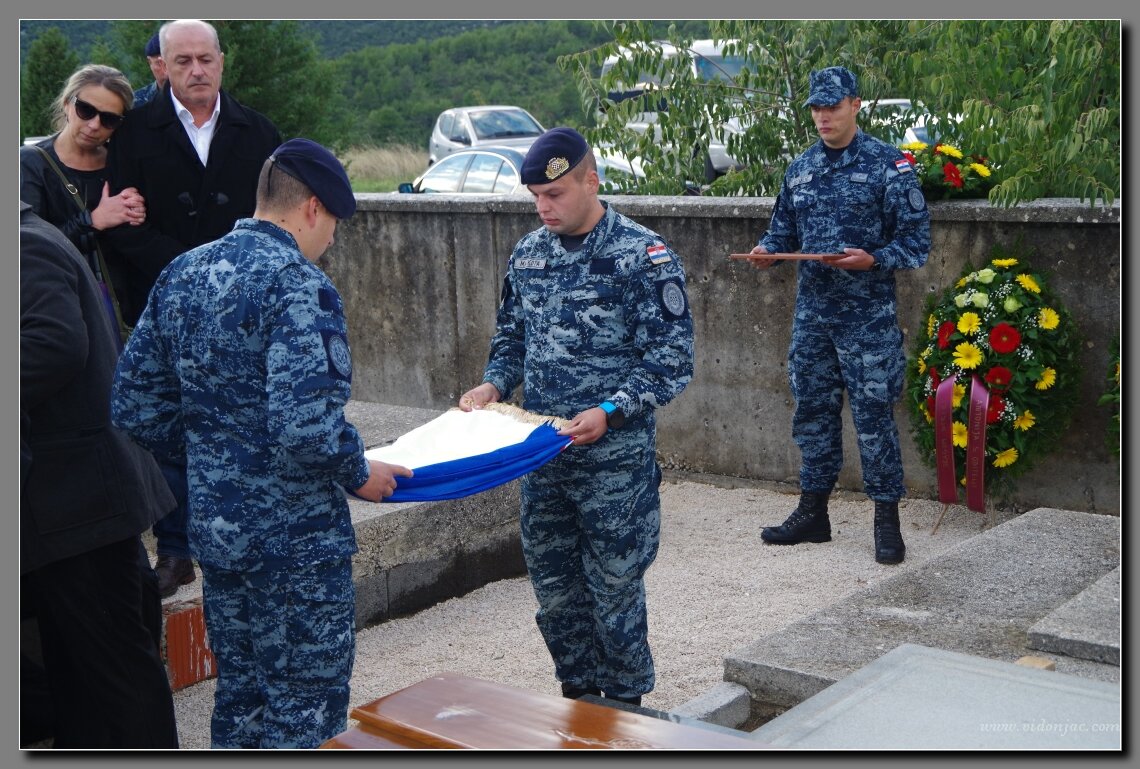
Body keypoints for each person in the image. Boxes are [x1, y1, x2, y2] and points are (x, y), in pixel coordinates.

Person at [110, 139, 412, 748]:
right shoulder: (298, 284)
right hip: (294, 543)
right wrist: (359, 471)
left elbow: (133, 404)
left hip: (219, 531)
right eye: (334, 223)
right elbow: (307, 427)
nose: (331, 239)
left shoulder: (184, 272)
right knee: (304, 709)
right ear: (312, 207)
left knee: (241, 701)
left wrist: (214, 452)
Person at [458, 127, 694, 707]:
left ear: (592, 181)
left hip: (614, 463)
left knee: (615, 590)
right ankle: (579, 700)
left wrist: (611, 411)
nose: (544, 207)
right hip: (545, 457)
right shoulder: (529, 254)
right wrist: (492, 384)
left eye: (555, 194)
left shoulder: (642, 255)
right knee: (555, 593)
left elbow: (671, 360)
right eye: (536, 196)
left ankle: (628, 707)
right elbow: (512, 338)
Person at [106, 18, 283, 598]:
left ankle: (252, 536)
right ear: (164, 65)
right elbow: (123, 223)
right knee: (170, 427)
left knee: (248, 421)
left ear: (221, 61)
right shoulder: (133, 133)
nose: (196, 70)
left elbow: (277, 219)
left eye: (205, 59)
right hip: (165, 304)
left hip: (245, 310)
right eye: (182, 61)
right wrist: (190, 274)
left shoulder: (259, 131)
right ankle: (177, 550)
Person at [747, 66, 931, 564]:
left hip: (867, 319)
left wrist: (874, 258)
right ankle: (814, 513)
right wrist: (766, 252)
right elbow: (782, 233)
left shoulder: (890, 166)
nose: (823, 116)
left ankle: (886, 519)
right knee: (812, 412)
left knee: (873, 417)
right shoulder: (801, 168)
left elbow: (916, 244)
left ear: (855, 105)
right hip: (813, 318)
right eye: (816, 108)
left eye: (832, 106)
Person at [21, 200, 179, 749]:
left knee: (115, 673)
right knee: (79, 674)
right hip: (71, 505)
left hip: (80, 503)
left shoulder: (24, 244)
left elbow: (55, 343)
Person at [20, 63, 147, 338]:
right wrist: (94, 221)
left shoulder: (123, 163)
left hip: (129, 312)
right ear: (67, 104)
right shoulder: (31, 163)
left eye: (109, 119)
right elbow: (28, 250)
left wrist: (137, 210)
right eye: (86, 110)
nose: (94, 125)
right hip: (65, 310)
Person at [132, 32, 167, 108]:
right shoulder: (135, 102)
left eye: (170, 63)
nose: (166, 71)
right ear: (149, 62)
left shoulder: (192, 96)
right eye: (159, 63)